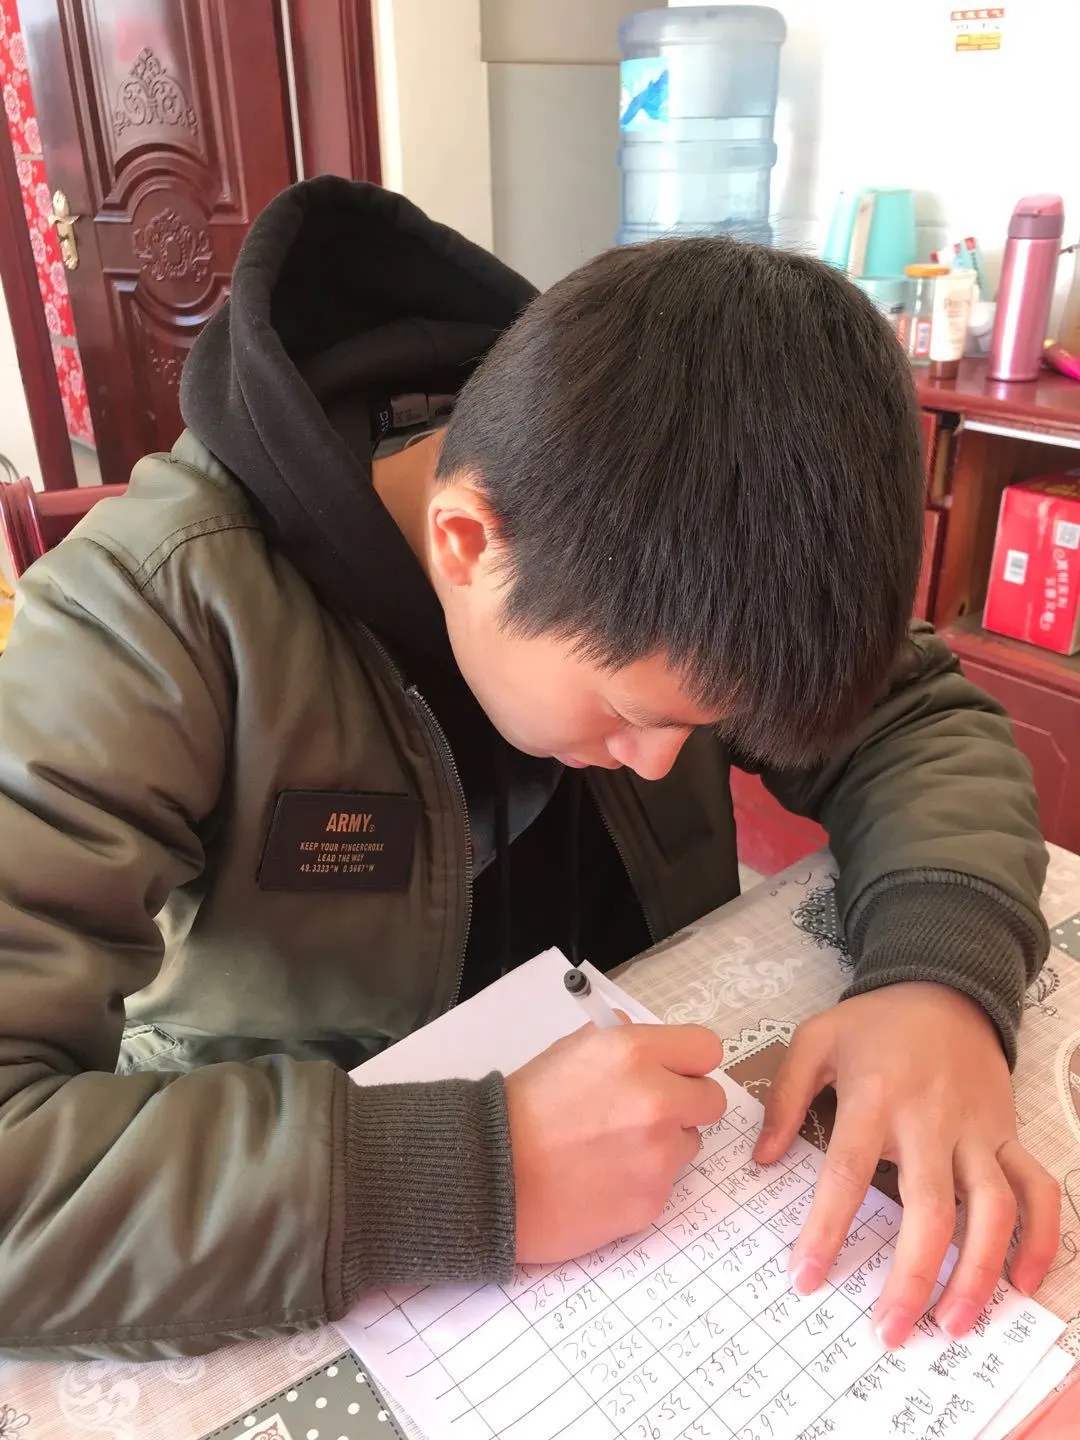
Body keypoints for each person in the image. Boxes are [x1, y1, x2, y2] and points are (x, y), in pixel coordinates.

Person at [0, 178, 1059, 1362]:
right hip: (324, 1227)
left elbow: (915, 716)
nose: (664, 766)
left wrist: (939, 977)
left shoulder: (677, 512)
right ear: (466, 542)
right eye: (632, 715)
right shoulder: (151, 620)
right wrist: (460, 1174)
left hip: (652, 1160)